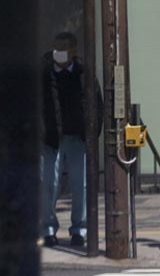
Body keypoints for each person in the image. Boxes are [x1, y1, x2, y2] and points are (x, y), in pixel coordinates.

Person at [40, 32, 101, 248]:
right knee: (48, 183)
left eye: (63, 48)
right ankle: (48, 229)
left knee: (81, 184)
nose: (58, 52)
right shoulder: (44, 74)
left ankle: (79, 230)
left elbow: (97, 105)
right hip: (50, 138)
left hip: (78, 137)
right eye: (56, 48)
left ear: (74, 51)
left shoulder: (85, 74)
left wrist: (92, 135)